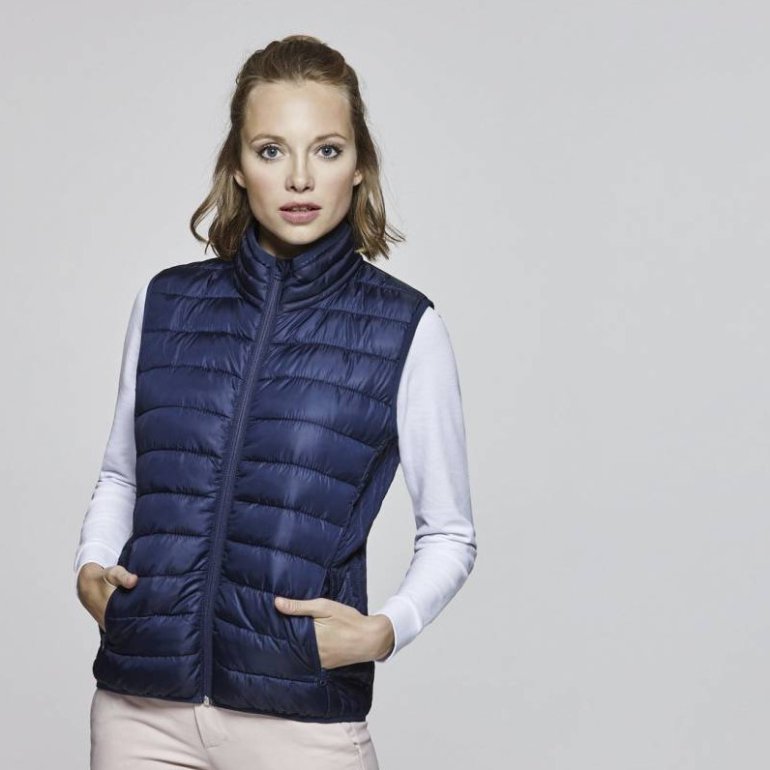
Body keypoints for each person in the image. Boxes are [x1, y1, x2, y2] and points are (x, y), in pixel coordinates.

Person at [74, 34, 477, 769]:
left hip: (300, 721)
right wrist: (91, 566)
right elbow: (121, 475)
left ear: (360, 166)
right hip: (139, 712)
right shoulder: (165, 302)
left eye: (326, 150)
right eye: (270, 150)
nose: (298, 178)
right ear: (237, 165)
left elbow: (449, 532)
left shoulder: (404, 328)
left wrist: (386, 629)